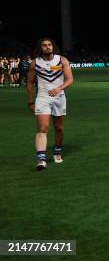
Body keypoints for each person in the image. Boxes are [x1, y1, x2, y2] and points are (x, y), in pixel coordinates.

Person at [26, 38, 74, 170]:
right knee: (43, 128)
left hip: (59, 97)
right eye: (44, 45)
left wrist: (59, 88)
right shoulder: (35, 63)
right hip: (42, 97)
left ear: (53, 47)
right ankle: (41, 160)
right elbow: (29, 83)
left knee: (59, 127)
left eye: (49, 45)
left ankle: (57, 151)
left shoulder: (62, 60)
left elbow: (70, 79)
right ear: (40, 48)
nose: (47, 47)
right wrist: (30, 101)